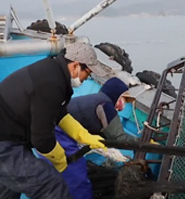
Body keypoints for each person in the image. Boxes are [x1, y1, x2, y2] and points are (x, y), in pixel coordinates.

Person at [0, 42, 108, 199]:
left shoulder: (53, 71)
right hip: (5, 145)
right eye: (88, 73)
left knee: (9, 188)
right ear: (76, 65)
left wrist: (83, 136)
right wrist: (60, 160)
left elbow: (58, 113)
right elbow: (42, 139)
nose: (87, 78)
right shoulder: (51, 83)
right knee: (51, 185)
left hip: (10, 136)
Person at [53, 77, 138, 199]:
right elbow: (119, 138)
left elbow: (103, 132)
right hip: (60, 134)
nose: (123, 105)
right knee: (78, 176)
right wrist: (143, 142)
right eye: (123, 99)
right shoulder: (106, 107)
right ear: (116, 96)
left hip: (54, 128)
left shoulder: (95, 100)